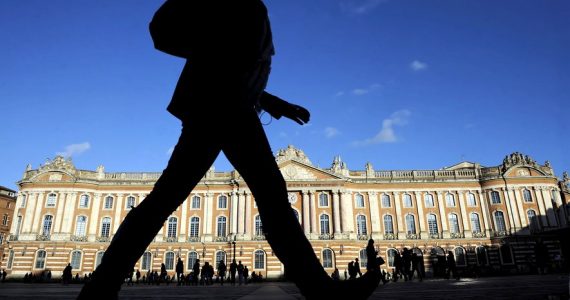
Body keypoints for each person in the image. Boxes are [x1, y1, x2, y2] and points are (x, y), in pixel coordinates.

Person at [77, 1, 379, 299]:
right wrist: (210, 50)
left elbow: (241, 66)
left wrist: (271, 102)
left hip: (230, 106)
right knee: (269, 198)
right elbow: (163, 30)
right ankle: (322, 291)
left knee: (170, 199)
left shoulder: (252, 7)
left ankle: (101, 285)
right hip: (221, 107)